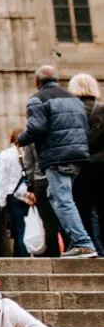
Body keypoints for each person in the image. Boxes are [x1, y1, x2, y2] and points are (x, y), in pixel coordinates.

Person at [20, 65, 97, 258]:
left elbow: (36, 128)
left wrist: (20, 140)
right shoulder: (73, 99)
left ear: (37, 82)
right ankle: (76, 239)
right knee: (56, 196)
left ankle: (83, 243)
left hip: (56, 157)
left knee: (62, 200)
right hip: (78, 155)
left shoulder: (37, 99)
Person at [70, 73, 104, 253]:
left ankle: (91, 247)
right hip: (102, 164)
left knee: (82, 207)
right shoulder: (102, 108)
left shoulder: (72, 110)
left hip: (81, 165)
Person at [0, 129, 32, 256]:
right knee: (33, 224)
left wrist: (1, 201)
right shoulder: (30, 151)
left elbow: (3, 179)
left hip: (14, 195)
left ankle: (24, 255)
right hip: (30, 194)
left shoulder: (5, 155)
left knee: (18, 228)